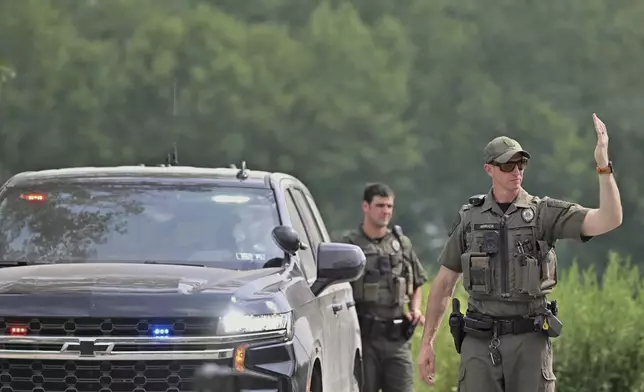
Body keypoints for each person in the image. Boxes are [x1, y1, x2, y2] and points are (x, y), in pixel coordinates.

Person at [417, 113, 623, 391]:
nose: (516, 170)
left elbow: (609, 219)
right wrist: (427, 343)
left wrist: (602, 165)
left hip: (529, 342)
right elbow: (443, 284)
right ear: (489, 169)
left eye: (521, 163)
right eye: (508, 165)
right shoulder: (470, 218)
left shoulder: (543, 213)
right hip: (480, 343)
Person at [340, 183, 429, 392]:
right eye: (380, 205)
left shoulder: (401, 244)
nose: (386, 211)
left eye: (389, 206)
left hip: (397, 339)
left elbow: (417, 282)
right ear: (365, 206)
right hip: (363, 339)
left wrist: (415, 310)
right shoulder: (350, 245)